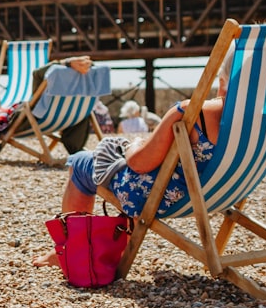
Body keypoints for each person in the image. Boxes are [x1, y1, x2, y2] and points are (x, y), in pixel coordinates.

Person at [33, 47, 233, 268]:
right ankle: (100, 246)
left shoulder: (193, 112)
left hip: (162, 198)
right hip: (218, 195)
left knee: (80, 162)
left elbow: (138, 164)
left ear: (223, 79)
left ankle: (71, 251)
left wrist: (134, 145)